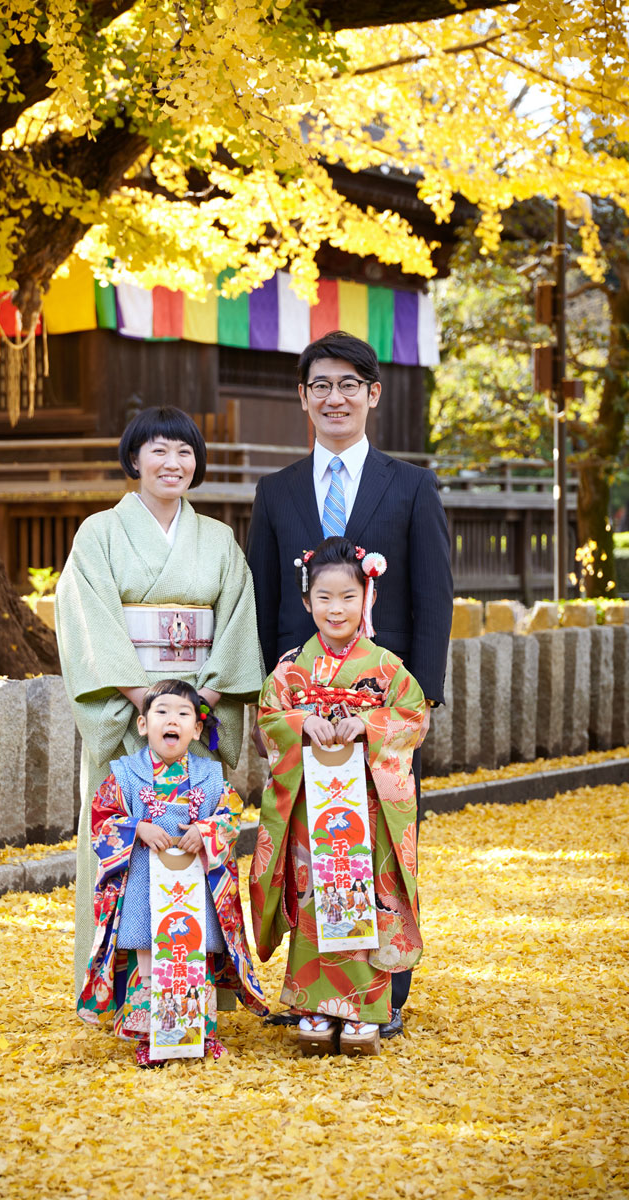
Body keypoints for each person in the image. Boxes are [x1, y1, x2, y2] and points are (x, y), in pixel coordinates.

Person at [246, 330, 453, 1033]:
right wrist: (286, 696)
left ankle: (385, 994)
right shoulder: (275, 493)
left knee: (383, 848)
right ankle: (312, 989)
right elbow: (267, 596)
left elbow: (433, 596)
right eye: (321, 386)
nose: (335, 398)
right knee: (310, 846)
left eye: (349, 385)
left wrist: (413, 701)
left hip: (381, 712)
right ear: (303, 398)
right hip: (305, 705)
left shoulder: (412, 484)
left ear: (373, 394)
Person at [56, 406, 264, 999]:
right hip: (129, 713)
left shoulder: (219, 540)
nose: (173, 463)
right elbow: (87, 620)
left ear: (196, 464)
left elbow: (236, 623)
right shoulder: (99, 534)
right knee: (124, 834)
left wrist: (200, 704)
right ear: (134, 459)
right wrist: (144, 703)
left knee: (200, 835)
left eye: (185, 452)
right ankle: (125, 993)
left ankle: (197, 993)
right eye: (159, 450)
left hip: (198, 709)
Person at [249, 537, 427, 1058]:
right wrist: (304, 722)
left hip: (366, 808)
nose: (336, 609)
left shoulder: (388, 667)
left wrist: (367, 724)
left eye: (348, 597)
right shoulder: (289, 669)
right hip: (311, 804)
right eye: (324, 598)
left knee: (361, 893)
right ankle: (311, 1004)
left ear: (366, 598)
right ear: (306, 603)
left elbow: (412, 717)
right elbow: (267, 720)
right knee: (313, 893)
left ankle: (365, 1009)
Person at [77, 680, 267, 1066]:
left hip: (194, 888)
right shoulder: (125, 774)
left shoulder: (211, 776)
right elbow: (102, 820)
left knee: (193, 956)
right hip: (145, 887)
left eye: (183, 714)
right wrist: (136, 829)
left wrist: (207, 831)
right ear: (143, 725)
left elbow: (230, 814)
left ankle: (203, 1033)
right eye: (161, 712)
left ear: (197, 730)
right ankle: (149, 1035)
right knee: (148, 957)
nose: (172, 720)